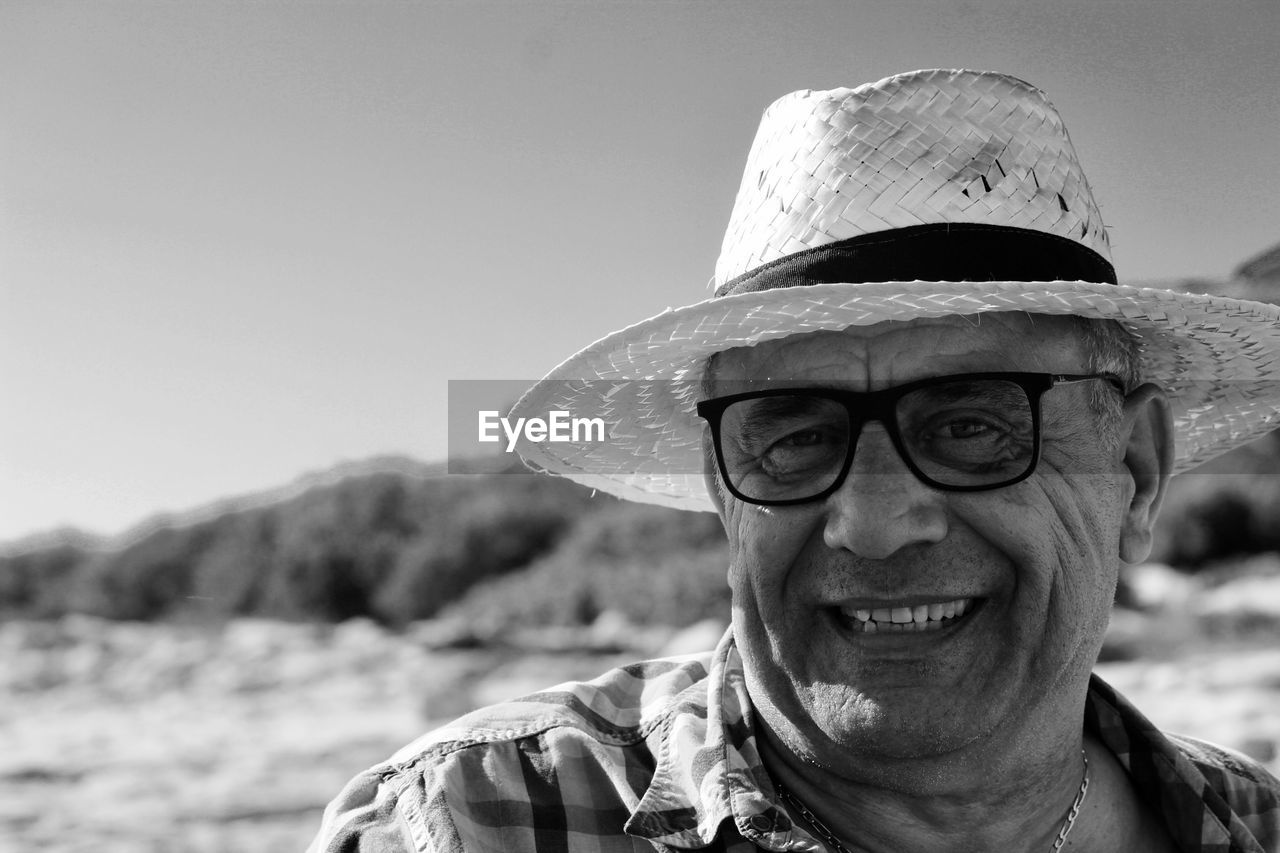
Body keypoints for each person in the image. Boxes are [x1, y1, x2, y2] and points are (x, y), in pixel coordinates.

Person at [309, 69, 1280, 852]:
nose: (870, 517)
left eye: (971, 422)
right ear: (724, 495)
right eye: (791, 436)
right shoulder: (473, 824)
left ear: (1136, 475)